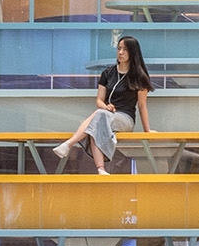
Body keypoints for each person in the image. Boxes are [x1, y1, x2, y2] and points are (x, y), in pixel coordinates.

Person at [57, 35, 152, 174]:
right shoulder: (108, 73)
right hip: (106, 114)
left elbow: (142, 106)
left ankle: (69, 144)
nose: (120, 52)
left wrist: (147, 130)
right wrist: (106, 107)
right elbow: (99, 101)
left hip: (125, 119)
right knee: (97, 122)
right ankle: (101, 169)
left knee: (98, 118)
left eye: (125, 49)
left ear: (133, 52)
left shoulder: (139, 76)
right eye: (119, 48)